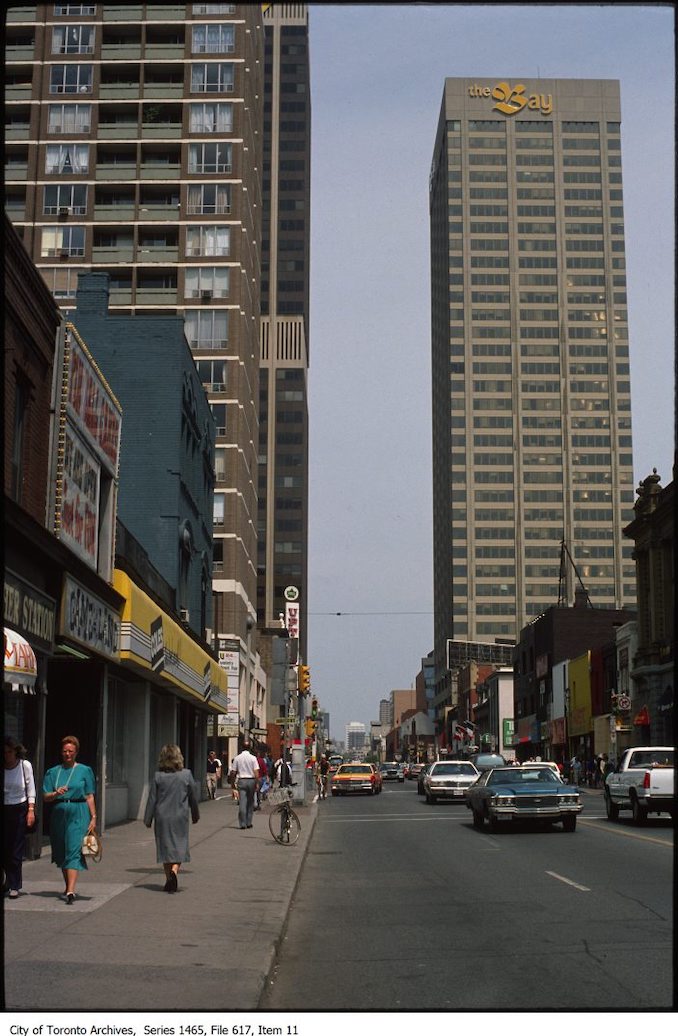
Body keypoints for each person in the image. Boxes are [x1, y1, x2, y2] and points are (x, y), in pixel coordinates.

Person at [43, 735, 96, 904]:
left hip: (79, 811)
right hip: (59, 812)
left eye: (71, 751)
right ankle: (68, 887)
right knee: (61, 850)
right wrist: (55, 793)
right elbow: (45, 797)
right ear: (61, 752)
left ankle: (71, 891)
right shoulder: (52, 772)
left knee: (73, 848)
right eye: (65, 751)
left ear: (76, 752)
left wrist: (93, 817)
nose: (68, 754)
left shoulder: (85, 770)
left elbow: (89, 795)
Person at [144, 744, 200, 893]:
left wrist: (148, 819)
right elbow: (193, 797)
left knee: (165, 848)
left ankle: (168, 877)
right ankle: (174, 871)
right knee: (180, 845)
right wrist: (195, 814)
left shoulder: (158, 776)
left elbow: (152, 799)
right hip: (179, 816)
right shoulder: (186, 775)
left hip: (162, 817)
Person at [4, 738, 36, 898]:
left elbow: (31, 788)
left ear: (15, 751)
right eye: (4, 753)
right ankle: (7, 881)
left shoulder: (24, 766)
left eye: (9, 752)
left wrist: (31, 810)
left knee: (16, 848)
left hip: (19, 807)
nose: (6, 756)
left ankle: (14, 884)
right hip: (4, 807)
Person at [228, 739, 260, 830]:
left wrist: (232, 784)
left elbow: (233, 772)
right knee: (250, 802)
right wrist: (257, 783)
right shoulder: (253, 758)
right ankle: (249, 822)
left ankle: (242, 823)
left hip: (241, 780)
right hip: (251, 780)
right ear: (250, 748)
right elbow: (256, 772)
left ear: (241, 747)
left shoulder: (237, 758)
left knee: (242, 801)